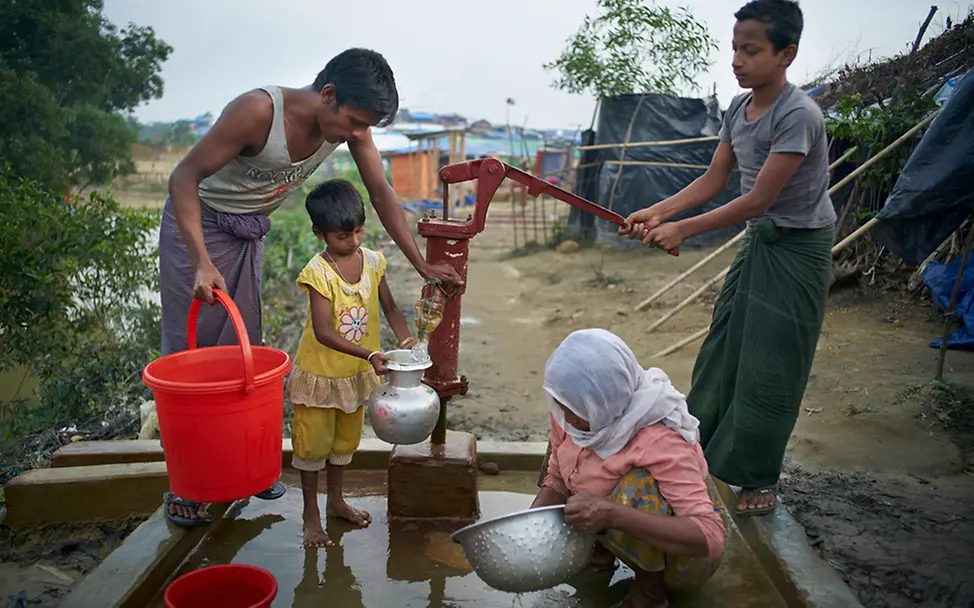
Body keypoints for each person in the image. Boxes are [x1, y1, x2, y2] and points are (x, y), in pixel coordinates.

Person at [159, 48, 461, 527]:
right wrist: (200, 262)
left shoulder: (347, 131)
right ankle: (190, 484)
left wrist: (421, 263)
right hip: (198, 230)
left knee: (243, 353)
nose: (359, 135)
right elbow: (184, 178)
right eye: (357, 123)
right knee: (195, 357)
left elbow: (380, 192)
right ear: (328, 95)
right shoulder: (258, 112)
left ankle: (240, 466)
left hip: (247, 231)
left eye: (367, 127)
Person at [620, 0, 834, 516]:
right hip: (760, 240)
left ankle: (758, 476)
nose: (736, 60)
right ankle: (701, 452)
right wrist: (657, 210)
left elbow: (758, 199)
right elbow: (714, 180)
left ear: (787, 54)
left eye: (751, 50)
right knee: (723, 347)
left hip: (799, 247)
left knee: (770, 363)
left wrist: (681, 229)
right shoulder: (740, 109)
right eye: (735, 48)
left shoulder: (797, 115)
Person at [532, 329, 727, 608]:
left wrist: (610, 514)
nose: (568, 416)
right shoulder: (569, 413)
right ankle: (600, 552)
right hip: (614, 522)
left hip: (685, 560)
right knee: (563, 453)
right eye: (562, 404)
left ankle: (650, 590)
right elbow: (556, 477)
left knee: (639, 485)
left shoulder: (659, 438)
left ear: (605, 397)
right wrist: (525, 532)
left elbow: (710, 535)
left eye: (578, 408)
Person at [286, 179, 415, 548]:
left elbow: (389, 307)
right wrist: (372, 355)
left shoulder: (373, 262)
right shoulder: (318, 273)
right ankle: (311, 514)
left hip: (355, 375)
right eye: (344, 236)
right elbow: (324, 332)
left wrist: (406, 341)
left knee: (344, 443)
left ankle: (337, 501)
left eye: (359, 231)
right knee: (313, 447)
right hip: (321, 375)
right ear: (319, 234)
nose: (355, 241)